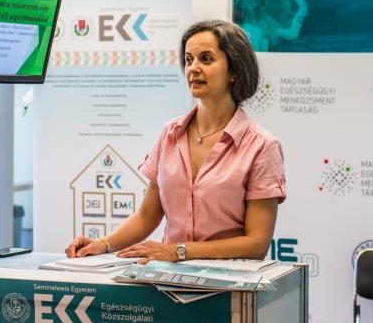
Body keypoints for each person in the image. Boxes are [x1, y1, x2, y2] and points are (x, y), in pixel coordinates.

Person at [66, 19, 285, 263]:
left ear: (234, 70)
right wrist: (103, 244)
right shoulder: (170, 133)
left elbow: (256, 244)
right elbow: (147, 215)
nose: (193, 68)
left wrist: (178, 251)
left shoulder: (261, 146)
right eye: (189, 60)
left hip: (228, 281)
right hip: (167, 277)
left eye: (206, 59)